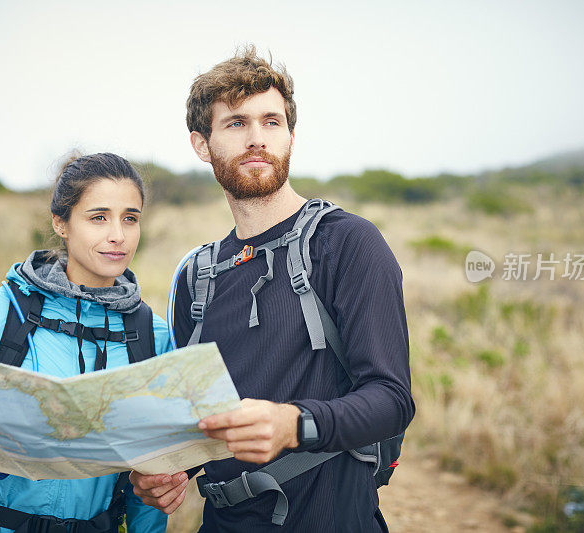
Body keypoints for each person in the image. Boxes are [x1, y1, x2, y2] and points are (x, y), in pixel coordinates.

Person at [130, 47, 415, 532]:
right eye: (236, 123)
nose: (258, 139)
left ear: (291, 135)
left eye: (272, 122)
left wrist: (294, 424)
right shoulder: (195, 275)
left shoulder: (347, 243)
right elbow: (201, 421)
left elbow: (392, 399)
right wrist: (174, 469)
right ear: (202, 143)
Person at [0, 153, 170, 532]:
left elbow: (152, 482)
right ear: (60, 223)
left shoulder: (152, 336)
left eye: (130, 217)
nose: (119, 235)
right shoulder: (0, 313)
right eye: (98, 217)